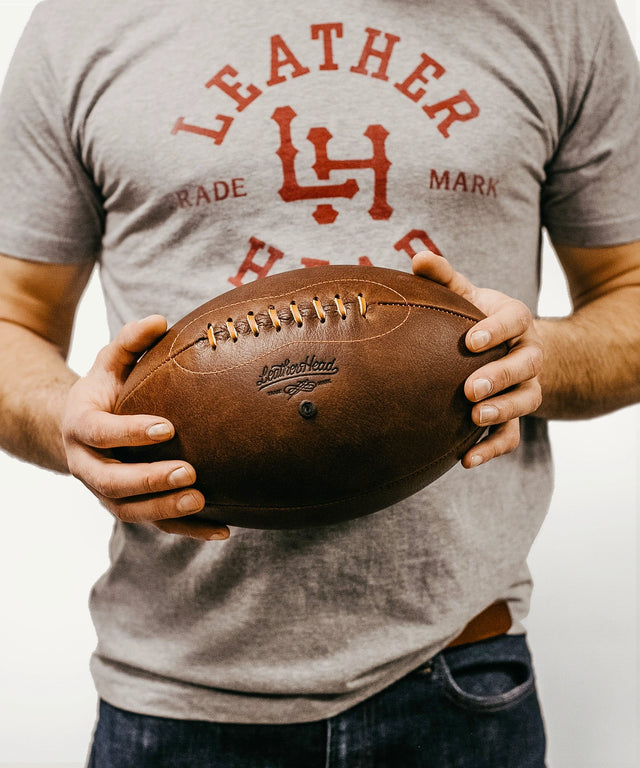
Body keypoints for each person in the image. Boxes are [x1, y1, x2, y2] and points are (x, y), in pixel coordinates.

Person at [0, 0, 638, 765]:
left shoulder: (560, 16)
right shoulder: (82, 22)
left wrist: (531, 358)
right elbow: (14, 317)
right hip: (172, 689)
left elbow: (629, 287)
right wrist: (68, 425)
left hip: (460, 675)